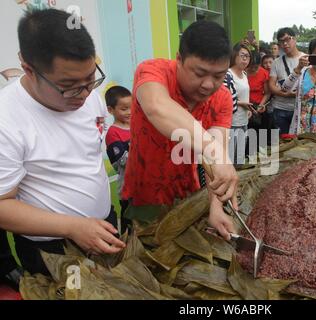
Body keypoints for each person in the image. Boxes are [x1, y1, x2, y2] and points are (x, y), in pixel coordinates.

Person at [0, 9, 126, 277]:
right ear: (29, 70)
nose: (83, 94)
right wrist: (72, 227)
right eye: (68, 85)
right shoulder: (6, 118)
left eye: (91, 79)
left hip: (104, 225)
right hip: (52, 248)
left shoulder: (90, 96)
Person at [121, 21, 238, 240]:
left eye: (219, 75)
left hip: (188, 197)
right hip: (144, 196)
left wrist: (216, 207)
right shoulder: (154, 71)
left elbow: (215, 159)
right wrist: (214, 150)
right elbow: (158, 107)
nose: (208, 84)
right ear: (179, 59)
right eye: (200, 73)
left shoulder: (221, 97)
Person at [268, 28, 305, 135]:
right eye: (281, 41)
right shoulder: (276, 62)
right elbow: (271, 85)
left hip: (300, 109)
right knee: (281, 143)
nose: (285, 44)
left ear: (295, 39)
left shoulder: (306, 59)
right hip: (280, 108)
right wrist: (285, 94)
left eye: (287, 39)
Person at [105, 86, 132, 229]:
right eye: (124, 109)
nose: (129, 112)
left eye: (132, 107)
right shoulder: (113, 134)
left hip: (144, 187)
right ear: (110, 110)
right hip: (127, 189)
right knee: (130, 224)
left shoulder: (137, 127)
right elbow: (120, 162)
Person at [227, 43, 253, 165]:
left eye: (248, 56)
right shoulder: (228, 74)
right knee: (230, 158)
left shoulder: (244, 74)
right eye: (242, 55)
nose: (245, 59)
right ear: (234, 55)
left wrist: (247, 109)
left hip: (243, 120)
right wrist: (241, 103)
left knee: (240, 158)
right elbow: (224, 100)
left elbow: (244, 94)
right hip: (231, 122)